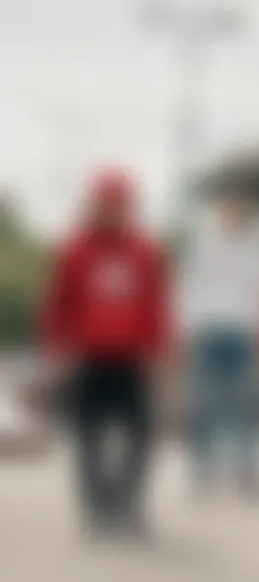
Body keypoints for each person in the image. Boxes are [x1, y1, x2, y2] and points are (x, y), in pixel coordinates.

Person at [40, 170, 171, 537]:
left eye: (120, 205)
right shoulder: (75, 249)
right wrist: (58, 348)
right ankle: (97, 507)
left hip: (131, 358)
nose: (112, 211)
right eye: (105, 204)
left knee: (141, 435)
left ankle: (128, 504)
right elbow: (57, 303)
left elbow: (156, 303)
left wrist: (162, 349)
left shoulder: (143, 250)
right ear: (93, 206)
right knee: (88, 438)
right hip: (87, 357)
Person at [179, 193, 259, 496]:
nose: (235, 219)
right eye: (230, 214)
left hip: (244, 331)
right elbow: (188, 288)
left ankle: (246, 469)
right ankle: (202, 470)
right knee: (205, 404)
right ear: (220, 217)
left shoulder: (256, 250)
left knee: (247, 403)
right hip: (209, 330)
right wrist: (185, 329)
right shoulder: (204, 247)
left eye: (240, 214)